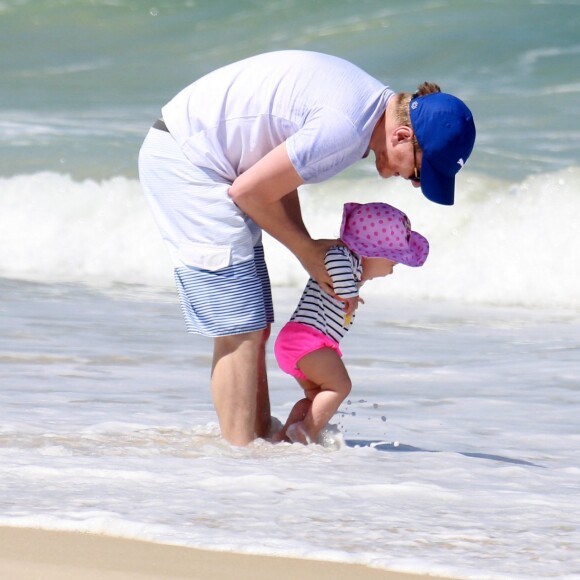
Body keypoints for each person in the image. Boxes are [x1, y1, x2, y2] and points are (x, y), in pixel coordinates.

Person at [137, 50, 475, 446]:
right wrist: (306, 251)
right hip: (189, 160)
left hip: (206, 153)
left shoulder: (362, 106)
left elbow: (274, 175)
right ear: (401, 136)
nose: (415, 182)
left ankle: (257, 438)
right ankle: (240, 461)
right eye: (420, 171)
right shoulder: (347, 131)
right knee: (239, 328)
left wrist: (310, 246)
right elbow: (249, 192)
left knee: (254, 321)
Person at [272, 202, 429, 445]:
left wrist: (352, 291)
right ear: (371, 252)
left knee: (316, 398)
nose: (392, 269)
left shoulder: (354, 269)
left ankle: (285, 437)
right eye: (392, 260)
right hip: (307, 341)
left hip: (299, 343)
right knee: (340, 386)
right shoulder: (347, 257)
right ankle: (307, 432)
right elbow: (332, 257)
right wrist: (349, 293)